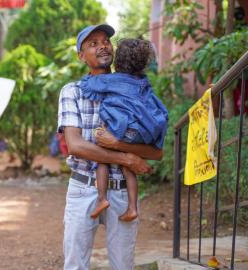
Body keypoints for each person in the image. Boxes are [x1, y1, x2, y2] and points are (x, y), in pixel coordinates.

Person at [57, 24, 162, 269]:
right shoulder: (72, 91)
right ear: (81, 56)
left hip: (124, 192)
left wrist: (117, 144)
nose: (102, 46)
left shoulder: (134, 91)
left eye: (105, 41)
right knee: (75, 264)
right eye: (92, 44)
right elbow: (75, 145)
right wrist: (127, 158)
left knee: (123, 265)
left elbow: (156, 152)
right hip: (83, 187)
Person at [84, 38, 168, 222]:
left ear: (118, 60)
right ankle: (132, 207)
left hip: (121, 129)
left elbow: (92, 85)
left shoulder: (112, 80)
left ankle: (102, 198)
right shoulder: (144, 82)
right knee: (128, 165)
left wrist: (85, 80)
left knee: (102, 157)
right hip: (138, 132)